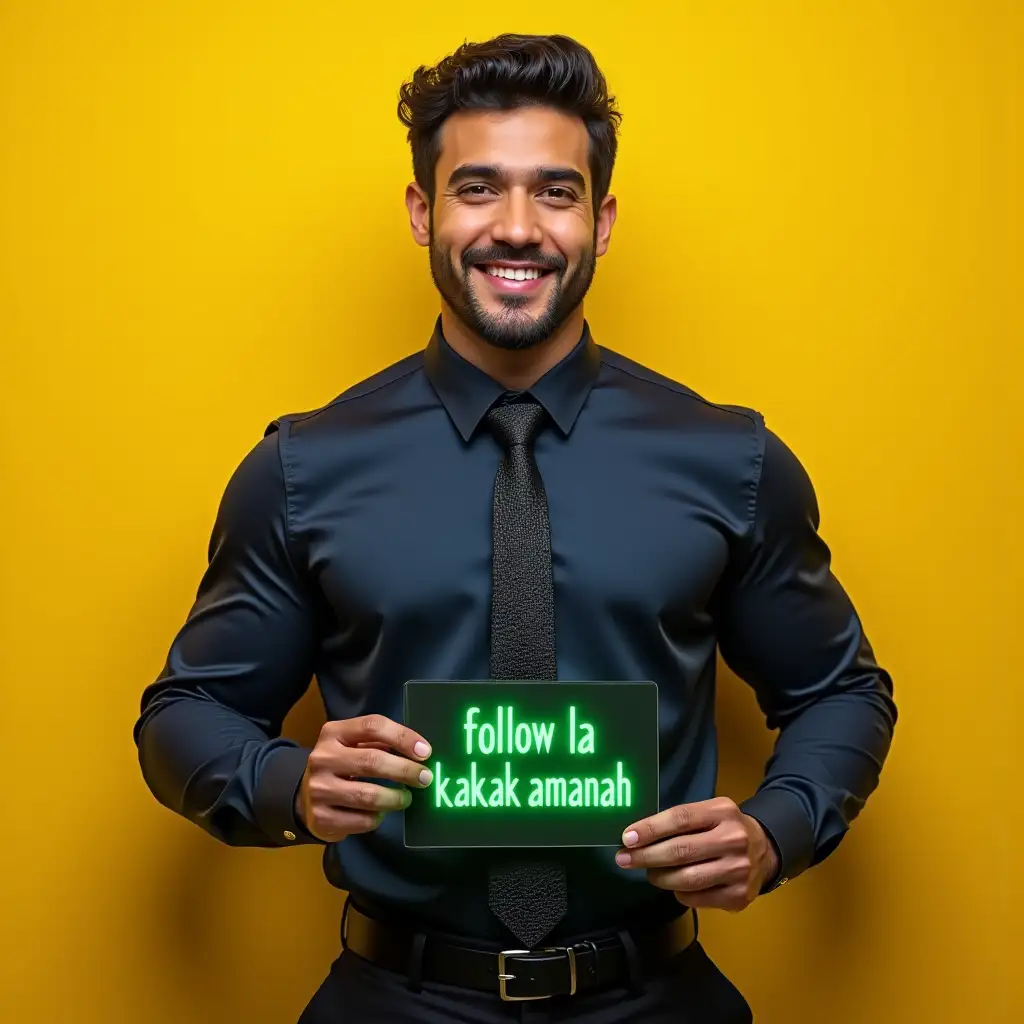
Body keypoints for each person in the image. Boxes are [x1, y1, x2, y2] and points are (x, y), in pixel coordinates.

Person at [134, 33, 897, 1024]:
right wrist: (287, 783)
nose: (517, 227)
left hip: (658, 996)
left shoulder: (728, 459)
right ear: (424, 211)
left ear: (600, 219)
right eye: (479, 189)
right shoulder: (302, 467)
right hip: (393, 998)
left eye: (555, 191)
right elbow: (182, 715)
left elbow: (840, 691)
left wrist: (775, 828)